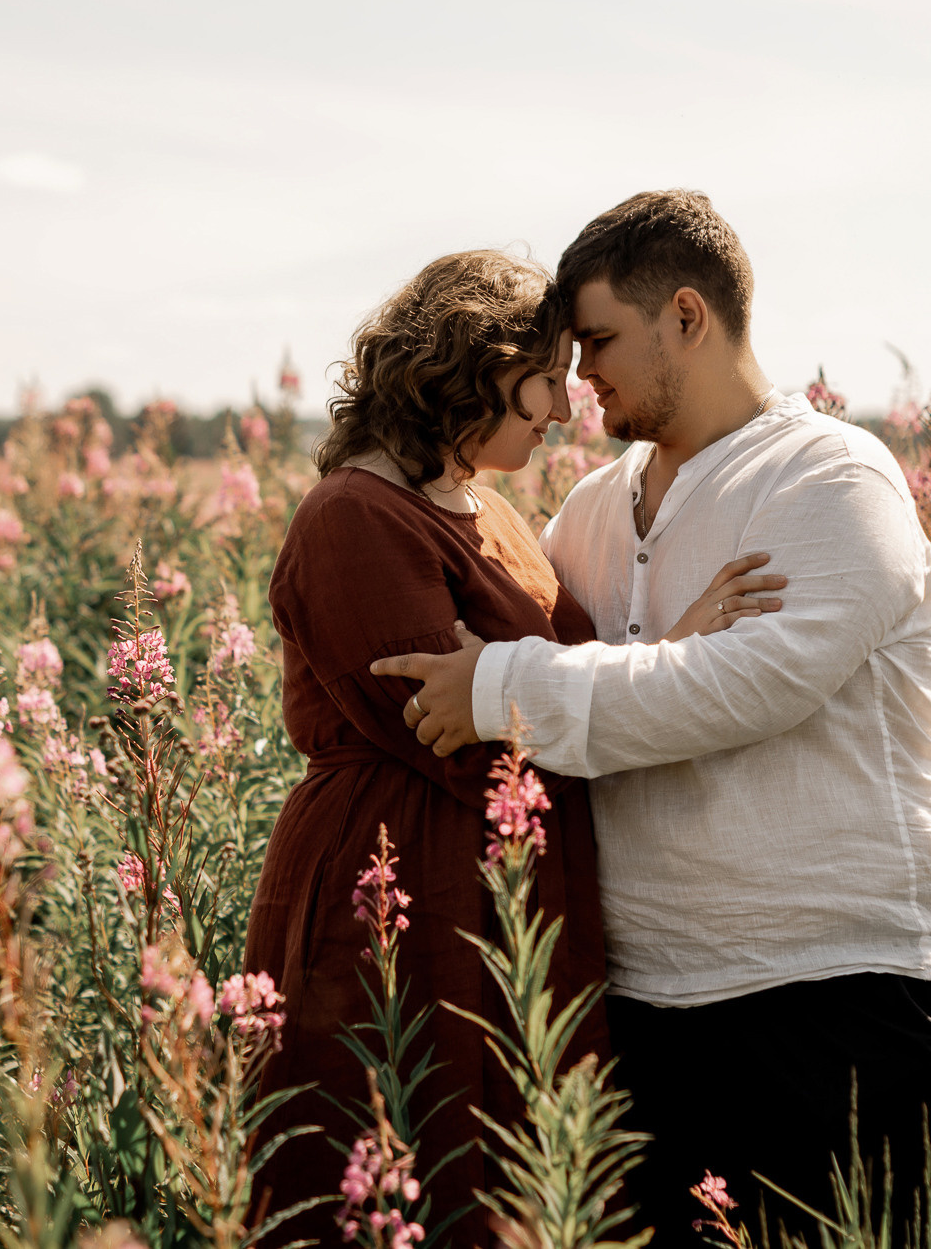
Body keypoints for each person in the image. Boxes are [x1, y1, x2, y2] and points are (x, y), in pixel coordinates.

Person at [371, 191, 931, 1246]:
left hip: (834, 997)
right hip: (644, 1011)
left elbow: (740, 686)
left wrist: (495, 690)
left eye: (597, 340)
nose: (577, 379)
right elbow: (608, 682)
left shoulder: (831, 478)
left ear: (686, 317)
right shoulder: (592, 512)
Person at [244, 247, 782, 1246]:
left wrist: (613, 669)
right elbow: (451, 724)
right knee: (406, 1166)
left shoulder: (487, 510)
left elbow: (528, 688)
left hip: (504, 883)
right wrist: (662, 662)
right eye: (544, 374)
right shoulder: (352, 515)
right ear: (473, 365)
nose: (563, 406)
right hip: (396, 888)